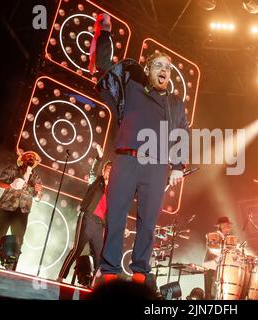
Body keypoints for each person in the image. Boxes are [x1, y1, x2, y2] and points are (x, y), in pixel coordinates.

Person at [90, 31, 189, 285]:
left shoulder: (175, 103)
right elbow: (104, 67)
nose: (165, 70)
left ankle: (139, 274)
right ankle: (109, 271)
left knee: (148, 222)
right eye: (159, 65)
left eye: (168, 67)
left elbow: (181, 133)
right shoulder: (131, 88)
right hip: (127, 159)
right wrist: (105, 32)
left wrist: (178, 166)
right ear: (148, 68)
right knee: (116, 216)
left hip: (156, 165)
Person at [57, 144, 111, 285]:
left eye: (112, 170)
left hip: (99, 224)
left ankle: (93, 284)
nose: (109, 172)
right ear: (104, 171)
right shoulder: (96, 181)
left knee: (100, 257)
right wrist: (99, 157)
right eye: (107, 169)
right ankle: (61, 277)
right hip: (87, 218)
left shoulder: (113, 190)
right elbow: (93, 171)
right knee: (77, 250)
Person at [0, 151, 43, 267]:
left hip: (22, 212)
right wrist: (11, 185)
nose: (32, 157)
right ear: (22, 158)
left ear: (35, 162)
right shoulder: (13, 169)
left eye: (34, 157)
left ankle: (10, 267)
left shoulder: (36, 177)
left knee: (18, 241)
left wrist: (39, 192)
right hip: (5, 208)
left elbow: (38, 198)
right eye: (29, 155)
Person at [202, 216, 233, 299]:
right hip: (211, 269)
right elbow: (213, 250)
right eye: (227, 225)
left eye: (229, 226)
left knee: (217, 294)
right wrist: (226, 252)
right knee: (210, 295)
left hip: (220, 270)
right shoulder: (214, 235)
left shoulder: (226, 239)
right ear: (221, 226)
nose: (229, 227)